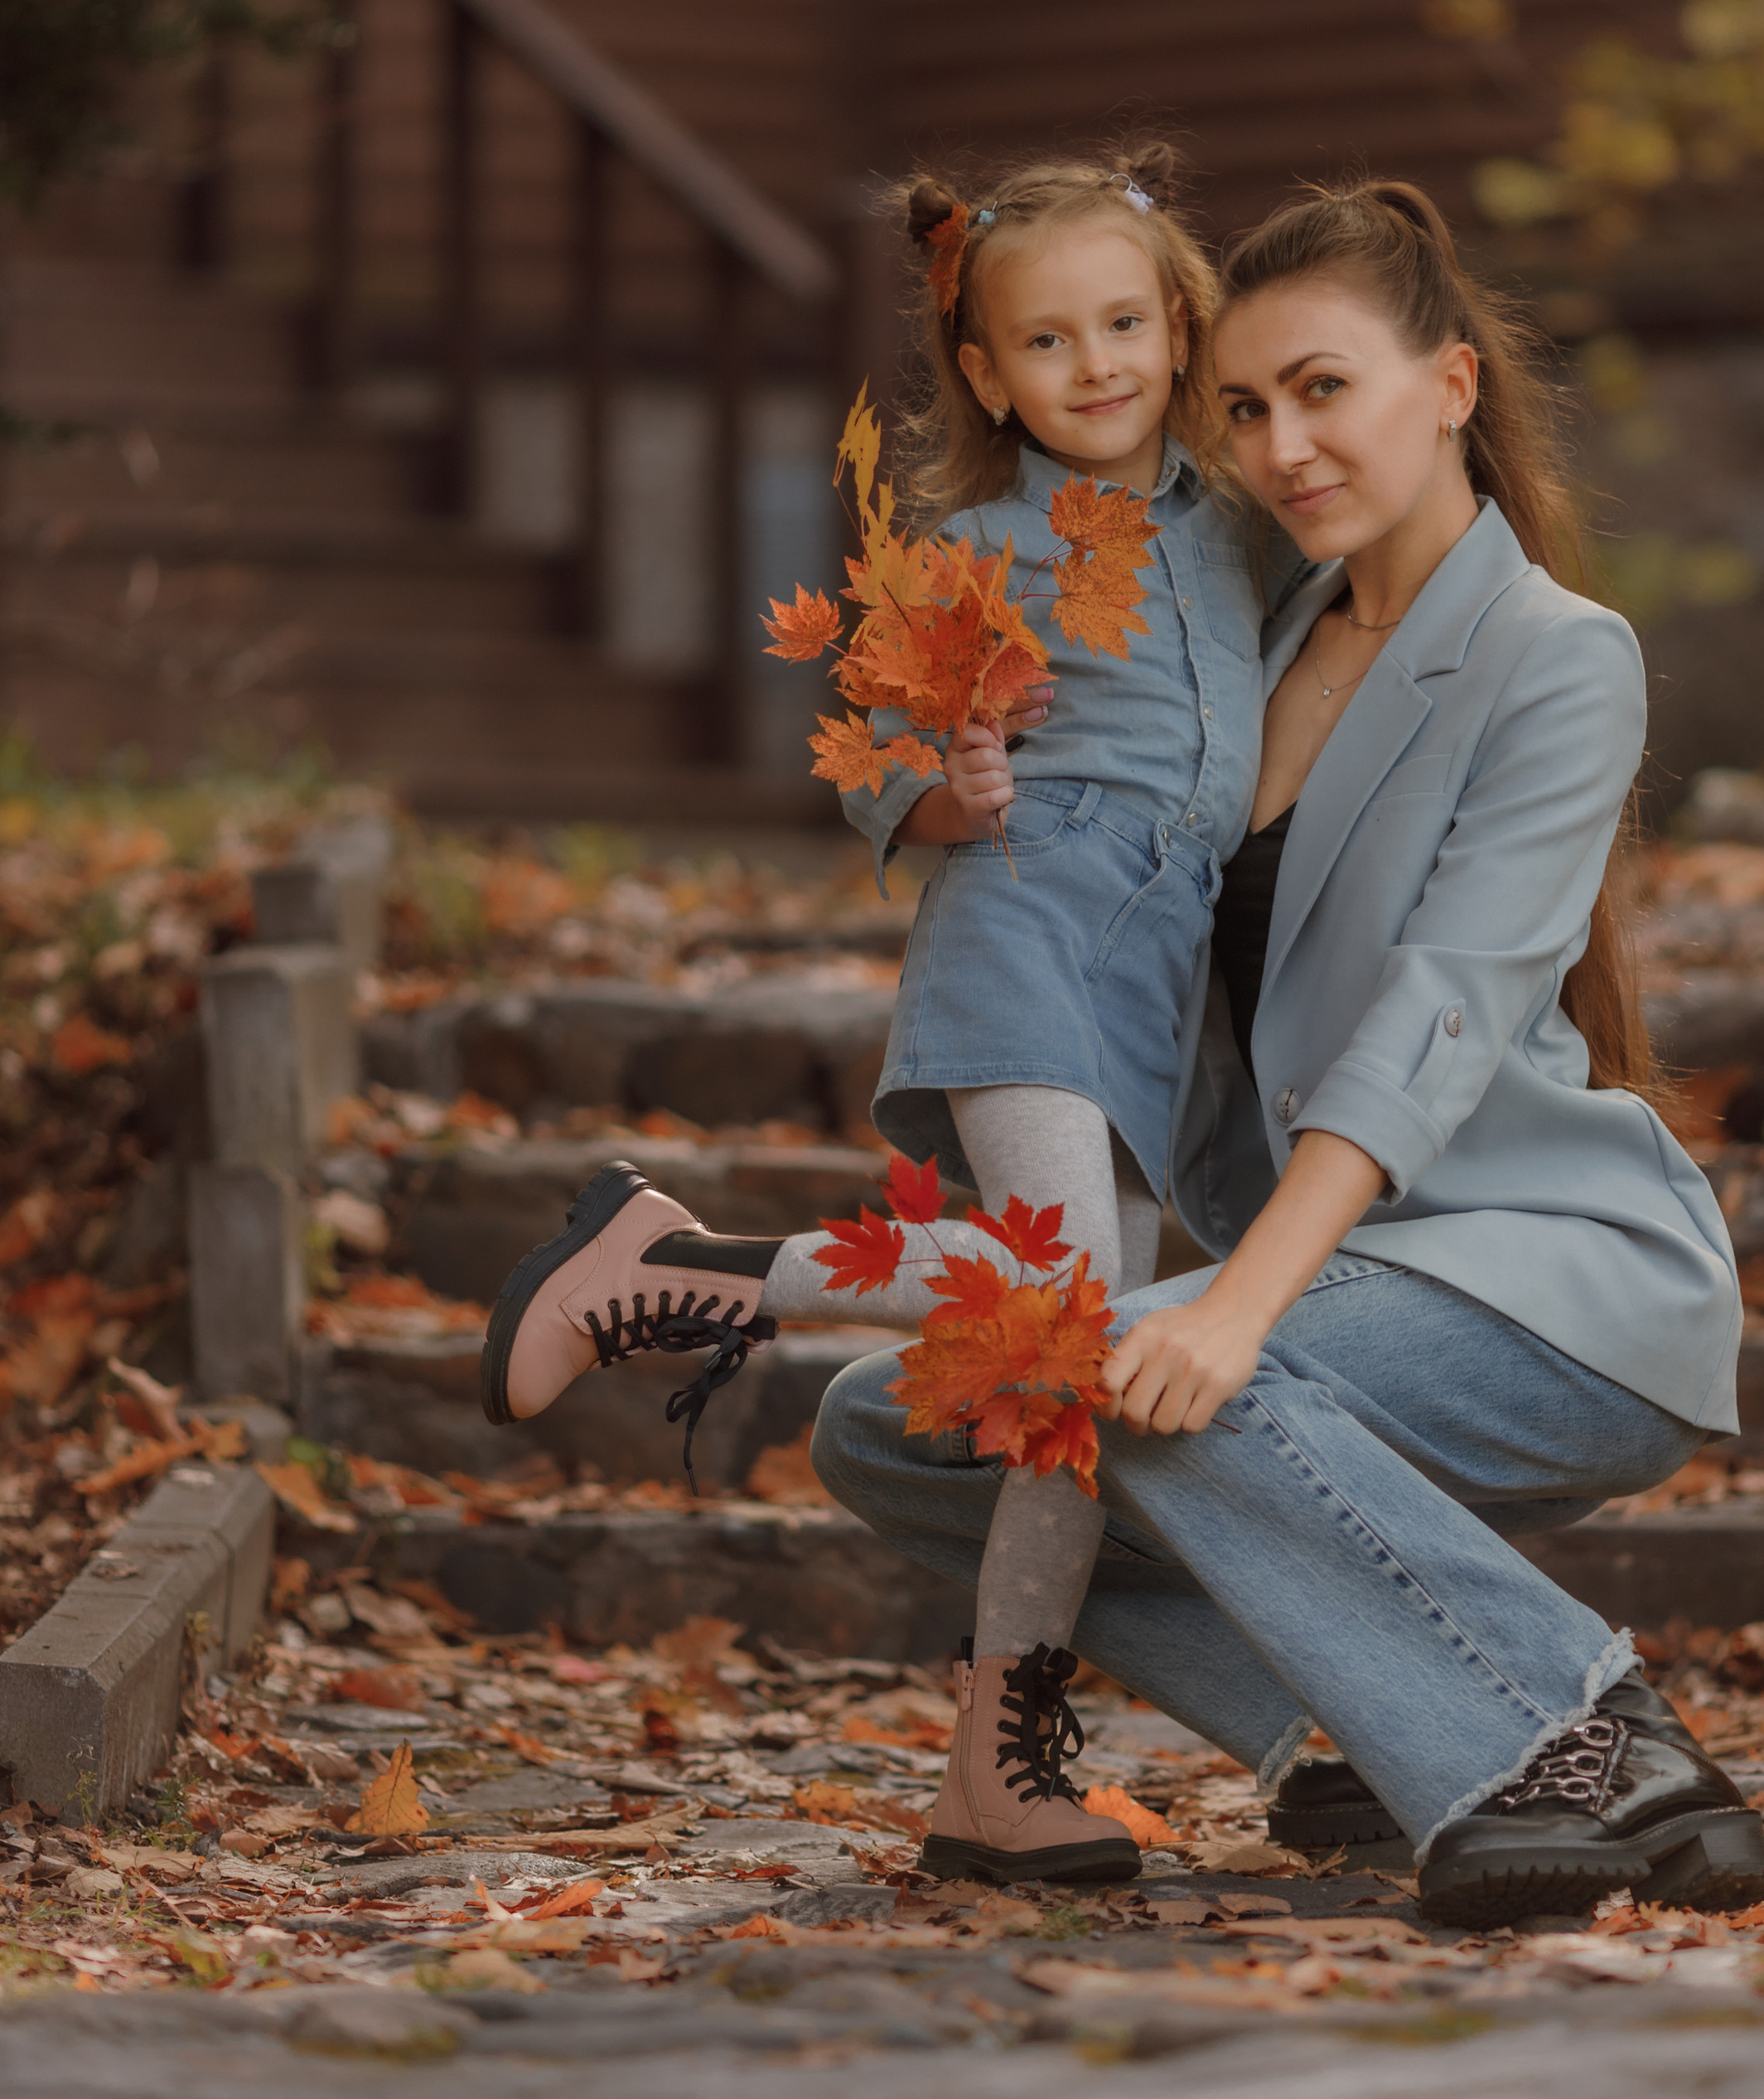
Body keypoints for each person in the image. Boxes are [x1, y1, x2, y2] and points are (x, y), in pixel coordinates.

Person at [809, 178, 1764, 1929]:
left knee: (1120, 1374)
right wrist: (956, 768)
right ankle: (1338, 1726)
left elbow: (1445, 1010)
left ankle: (1573, 1729)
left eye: (1322, 389)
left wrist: (1233, 1303)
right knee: (889, 1426)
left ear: (1451, 385)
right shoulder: (1241, 635)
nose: (1280, 446)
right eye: (1241, 408)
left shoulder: (1552, 655)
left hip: (1544, 1283)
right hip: (1333, 1283)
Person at [477, 147, 1302, 1893]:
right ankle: (675, 1276)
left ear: (1178, 327)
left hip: (1153, 1003)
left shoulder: (1242, 530)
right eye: (1046, 341)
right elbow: (881, 788)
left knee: (1060, 1383)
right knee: (1069, 1319)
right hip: (1020, 939)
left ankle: (992, 1775)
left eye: (1124, 324)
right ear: (988, 375)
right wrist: (953, 788)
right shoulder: (974, 550)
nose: (1094, 365)